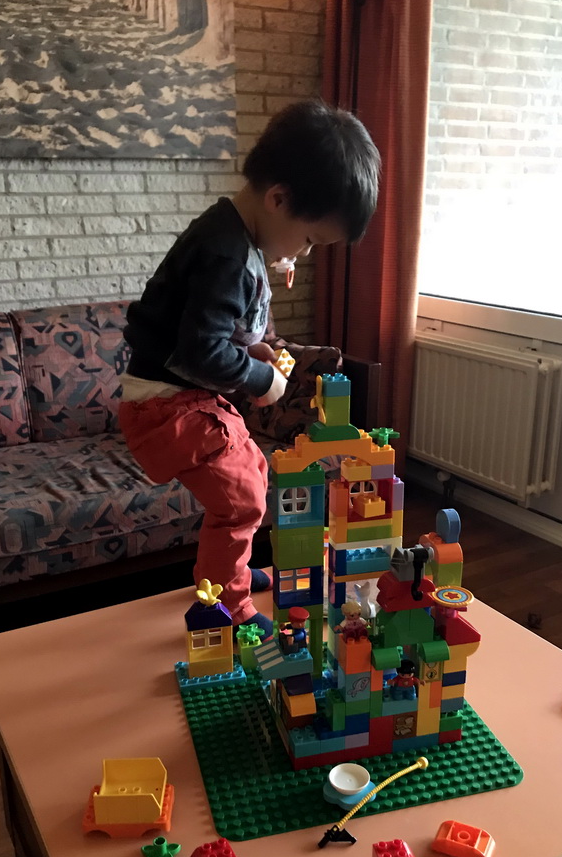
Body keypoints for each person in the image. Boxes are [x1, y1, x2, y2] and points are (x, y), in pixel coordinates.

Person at [118, 99, 380, 638]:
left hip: (184, 396)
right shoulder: (228, 257)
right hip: (166, 407)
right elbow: (198, 353)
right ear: (278, 198)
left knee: (255, 474)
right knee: (241, 502)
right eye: (310, 240)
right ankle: (228, 607)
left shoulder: (234, 235)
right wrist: (262, 378)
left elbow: (208, 334)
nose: (304, 254)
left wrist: (252, 350)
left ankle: (229, 571)